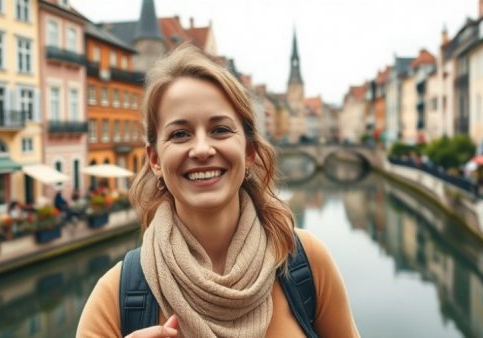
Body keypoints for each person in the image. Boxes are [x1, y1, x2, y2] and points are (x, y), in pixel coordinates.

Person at [77, 44, 359, 337]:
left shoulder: (304, 263)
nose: (201, 149)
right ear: (155, 159)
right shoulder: (115, 298)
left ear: (249, 150)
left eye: (221, 129)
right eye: (180, 134)